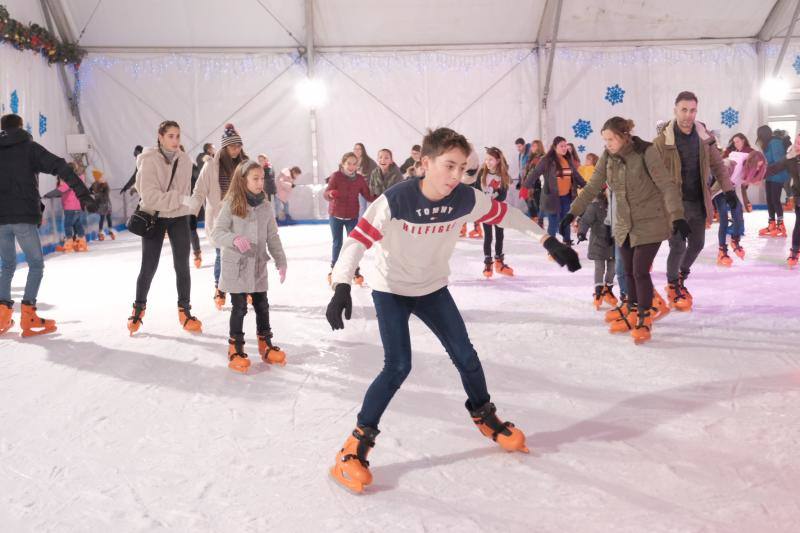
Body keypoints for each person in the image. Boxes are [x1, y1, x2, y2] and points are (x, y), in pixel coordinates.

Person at [325, 127, 580, 493]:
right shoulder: (396, 200)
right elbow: (355, 242)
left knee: (466, 355)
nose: (455, 176)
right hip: (391, 289)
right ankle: (355, 446)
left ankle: (485, 415)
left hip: (431, 288)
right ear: (425, 163)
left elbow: (506, 214)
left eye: (462, 168)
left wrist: (547, 239)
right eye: (448, 166)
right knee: (398, 366)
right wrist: (342, 284)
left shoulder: (465, 198)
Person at [562, 117, 686, 344]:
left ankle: (644, 318)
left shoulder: (645, 152)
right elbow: (592, 187)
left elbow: (666, 185)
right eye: (605, 140)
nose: (607, 144)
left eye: (611, 139)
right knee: (628, 271)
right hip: (623, 223)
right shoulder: (609, 157)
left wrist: (677, 216)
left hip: (650, 221)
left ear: (623, 136)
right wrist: (573, 212)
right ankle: (632, 310)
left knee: (639, 271)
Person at [0, 113, 97, 336]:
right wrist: (83, 195)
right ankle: (28, 315)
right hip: (23, 217)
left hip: (1, 220)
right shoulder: (29, 148)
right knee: (36, 264)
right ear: (21, 127)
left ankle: (2, 315)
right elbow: (61, 167)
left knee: (6, 266)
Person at [653, 91, 735, 311]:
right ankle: (672, 284)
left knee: (697, 244)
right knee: (677, 246)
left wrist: (729, 190)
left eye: (693, 110)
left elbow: (718, 165)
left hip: (698, 201)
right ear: (675, 110)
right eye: (684, 110)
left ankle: (680, 276)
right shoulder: (662, 141)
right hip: (674, 204)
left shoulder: (703, 137)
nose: (688, 115)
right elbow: (653, 173)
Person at [211, 159, 288, 373]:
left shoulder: (265, 205)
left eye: (262, 178)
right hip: (236, 267)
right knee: (240, 308)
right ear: (243, 180)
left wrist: (281, 260)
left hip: (258, 266)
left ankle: (266, 345)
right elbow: (216, 233)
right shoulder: (232, 203)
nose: (260, 183)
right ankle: (235, 348)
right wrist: (234, 239)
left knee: (262, 305)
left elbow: (272, 236)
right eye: (255, 178)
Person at [127, 120, 202, 336]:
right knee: (149, 266)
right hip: (154, 218)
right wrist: (180, 199)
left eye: (178, 136)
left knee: (182, 266)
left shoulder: (186, 161)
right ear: (160, 136)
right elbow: (149, 197)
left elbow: (188, 196)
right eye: (170, 136)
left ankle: (185, 311)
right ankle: (138, 308)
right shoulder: (148, 160)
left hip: (178, 218)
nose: (175, 140)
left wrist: (185, 207)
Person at [190, 124, 248, 310]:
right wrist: (192, 212)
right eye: (232, 146)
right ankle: (220, 288)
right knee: (220, 254)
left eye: (238, 146)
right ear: (224, 147)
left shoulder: (245, 164)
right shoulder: (211, 166)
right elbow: (199, 191)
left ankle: (244, 288)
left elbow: (256, 190)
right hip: (220, 218)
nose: (236, 150)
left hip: (241, 216)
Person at [324, 152, 374, 285]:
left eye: (354, 164)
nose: (351, 166)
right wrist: (330, 194)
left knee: (353, 245)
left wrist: (380, 197)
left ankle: (355, 270)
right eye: (349, 163)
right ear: (343, 164)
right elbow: (326, 193)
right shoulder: (336, 176)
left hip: (352, 216)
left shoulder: (359, 179)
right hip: (335, 215)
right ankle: (334, 269)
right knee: (338, 243)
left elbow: (368, 195)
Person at [525, 137, 586, 245]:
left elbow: (575, 175)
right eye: (561, 146)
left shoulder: (568, 159)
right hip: (552, 197)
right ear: (555, 147)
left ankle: (567, 241)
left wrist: (586, 185)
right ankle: (551, 246)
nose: (564, 148)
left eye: (565, 146)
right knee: (553, 222)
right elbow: (536, 172)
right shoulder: (547, 160)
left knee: (566, 220)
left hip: (567, 196)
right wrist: (526, 185)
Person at [474, 147, 514, 277]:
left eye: (490, 159)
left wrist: (492, 199)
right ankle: (488, 263)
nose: (488, 162)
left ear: (497, 160)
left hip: (498, 209)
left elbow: (503, 195)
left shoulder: (502, 175)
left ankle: (499, 261)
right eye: (486, 159)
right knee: (488, 236)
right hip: (485, 210)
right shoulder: (482, 174)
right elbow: (476, 190)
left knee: (499, 234)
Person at [576, 189, 617, 309]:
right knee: (599, 267)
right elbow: (585, 221)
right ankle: (598, 291)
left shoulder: (619, 205)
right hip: (598, 242)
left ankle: (608, 289)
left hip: (614, 242)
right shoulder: (595, 206)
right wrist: (581, 233)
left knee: (613, 268)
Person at [765, 131, 800, 267]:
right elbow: (774, 168)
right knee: (799, 224)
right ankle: (795, 250)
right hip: (799, 195)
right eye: (798, 141)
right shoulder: (789, 157)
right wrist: (757, 172)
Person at [757, 125, 789, 238]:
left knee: (775, 199)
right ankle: (772, 224)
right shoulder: (767, 144)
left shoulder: (775, 142)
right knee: (769, 200)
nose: (759, 138)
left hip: (778, 175)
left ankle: (781, 226)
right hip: (770, 175)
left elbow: (779, 162)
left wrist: (764, 171)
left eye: (760, 136)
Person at [59, 163, 89, 252]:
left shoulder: (69, 180)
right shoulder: (79, 179)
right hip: (78, 207)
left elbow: (61, 189)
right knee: (77, 224)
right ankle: (82, 241)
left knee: (67, 225)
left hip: (70, 207)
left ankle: (69, 242)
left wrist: (48, 195)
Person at [723, 134, 754, 211]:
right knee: (735, 201)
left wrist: (747, 178)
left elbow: (752, 166)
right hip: (732, 180)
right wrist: (728, 149)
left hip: (741, 180)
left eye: (737, 141)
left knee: (738, 201)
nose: (735, 144)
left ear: (743, 141)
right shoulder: (733, 152)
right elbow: (724, 159)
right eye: (734, 142)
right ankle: (738, 218)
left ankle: (740, 216)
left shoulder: (750, 151)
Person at [90, 169, 115, 241]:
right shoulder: (94, 184)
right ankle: (100, 231)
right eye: (100, 177)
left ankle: (110, 230)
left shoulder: (105, 185)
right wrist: (94, 193)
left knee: (108, 217)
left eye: (102, 177)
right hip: (100, 204)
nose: (102, 178)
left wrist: (96, 193)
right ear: (97, 178)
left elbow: (106, 193)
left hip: (106, 203)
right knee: (102, 217)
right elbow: (90, 190)